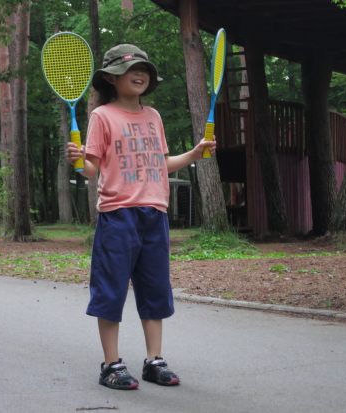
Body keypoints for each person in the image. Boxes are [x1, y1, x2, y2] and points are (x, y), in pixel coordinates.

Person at [66, 43, 216, 390]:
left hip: (154, 214)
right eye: (130, 69)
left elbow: (161, 163)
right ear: (110, 77)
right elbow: (91, 170)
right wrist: (77, 158)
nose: (139, 74)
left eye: (144, 69)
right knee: (111, 290)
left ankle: (154, 361)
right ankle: (111, 365)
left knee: (155, 290)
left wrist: (194, 153)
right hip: (118, 215)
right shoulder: (102, 116)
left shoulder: (154, 116)